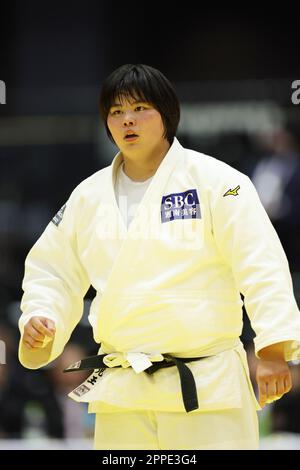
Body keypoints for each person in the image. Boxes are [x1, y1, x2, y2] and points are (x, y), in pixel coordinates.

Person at [18, 64, 300, 450]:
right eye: (115, 112)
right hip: (124, 390)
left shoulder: (221, 182)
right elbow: (53, 269)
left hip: (206, 384)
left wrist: (272, 349)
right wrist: (41, 316)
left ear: (167, 114)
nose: (127, 120)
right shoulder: (88, 195)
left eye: (140, 108)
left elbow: (261, 263)